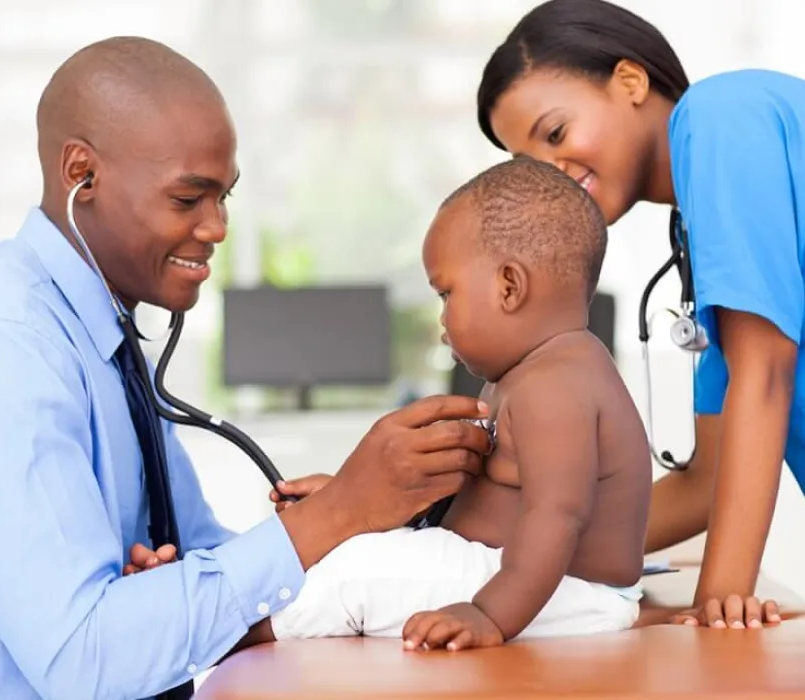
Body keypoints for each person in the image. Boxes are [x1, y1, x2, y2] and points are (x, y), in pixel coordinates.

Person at [0, 37, 493, 700]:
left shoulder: (107, 341)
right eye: (189, 200)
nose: (216, 228)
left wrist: (354, 513)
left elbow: (199, 558)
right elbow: (82, 657)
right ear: (81, 176)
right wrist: (337, 514)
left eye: (225, 198)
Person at [475, 0, 800, 630]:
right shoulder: (701, 234)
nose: (551, 174)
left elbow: (764, 371)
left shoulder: (720, 117)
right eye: (528, 163)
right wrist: (515, 546)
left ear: (630, 82)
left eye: (556, 133)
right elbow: (706, 481)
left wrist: (722, 602)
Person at [248, 156, 653, 651]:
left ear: (509, 287)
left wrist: (489, 613)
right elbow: (482, 494)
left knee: (357, 576)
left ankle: (231, 632)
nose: (442, 319)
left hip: (558, 590)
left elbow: (556, 516)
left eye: (446, 293)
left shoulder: (557, 387)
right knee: (352, 548)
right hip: (518, 576)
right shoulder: (529, 373)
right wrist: (350, 501)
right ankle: (221, 597)